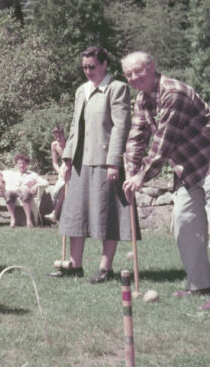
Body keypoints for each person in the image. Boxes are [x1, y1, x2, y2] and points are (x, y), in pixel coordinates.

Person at [121, 51, 210, 311]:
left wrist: (143, 176)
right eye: (128, 74)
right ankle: (200, 285)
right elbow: (136, 137)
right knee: (185, 224)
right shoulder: (142, 98)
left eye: (137, 71)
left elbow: (163, 142)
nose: (133, 78)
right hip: (187, 165)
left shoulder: (174, 93)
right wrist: (131, 173)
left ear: (152, 67)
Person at [49, 45, 138, 283]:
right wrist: (67, 159)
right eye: (84, 67)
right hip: (80, 162)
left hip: (105, 162)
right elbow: (74, 127)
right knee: (75, 214)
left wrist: (114, 162)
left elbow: (121, 126)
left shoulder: (116, 89)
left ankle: (104, 268)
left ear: (104, 65)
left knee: (109, 215)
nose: (88, 71)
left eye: (92, 67)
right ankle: (74, 265)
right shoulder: (82, 91)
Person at [2, 153, 49, 228]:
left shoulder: (32, 174)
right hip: (15, 191)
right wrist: (18, 188)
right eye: (19, 163)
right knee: (7, 193)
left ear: (27, 164)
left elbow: (45, 182)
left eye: (24, 163)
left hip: (26, 193)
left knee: (25, 193)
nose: (21, 165)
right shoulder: (13, 175)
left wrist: (36, 185)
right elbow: (8, 186)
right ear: (17, 165)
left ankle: (28, 220)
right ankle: (13, 220)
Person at [45, 125, 67, 224]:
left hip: (73, 167)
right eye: (55, 137)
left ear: (63, 134)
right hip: (63, 168)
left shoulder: (70, 143)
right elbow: (54, 162)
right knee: (61, 187)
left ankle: (55, 213)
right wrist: (60, 171)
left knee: (64, 187)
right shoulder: (54, 145)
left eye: (59, 136)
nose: (57, 139)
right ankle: (55, 214)